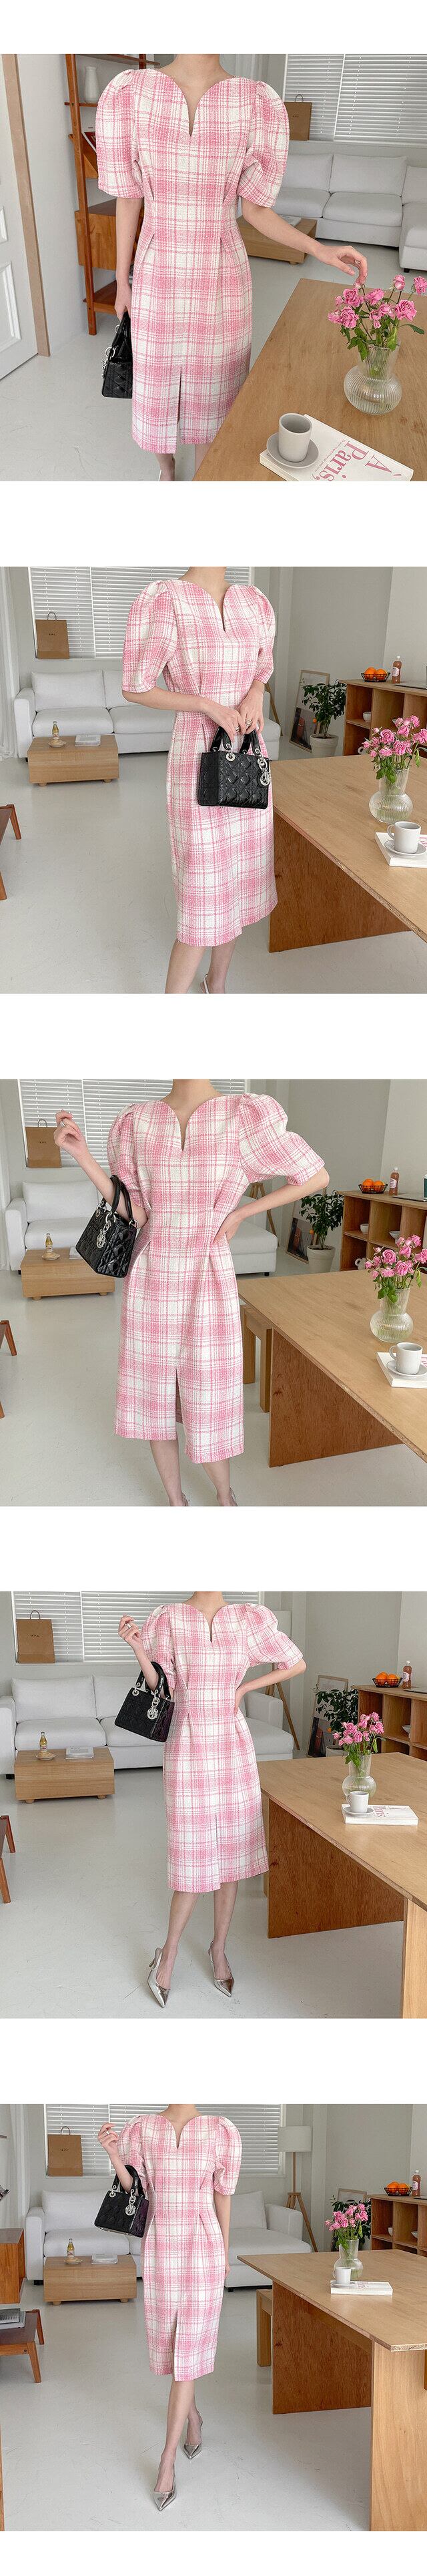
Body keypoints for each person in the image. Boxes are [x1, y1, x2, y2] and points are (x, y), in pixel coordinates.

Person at [54, 1080, 328, 1505]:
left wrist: (242, 1212)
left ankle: (224, 1497)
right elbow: (137, 1213)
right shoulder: (136, 1122)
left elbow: (315, 1175)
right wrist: (82, 1156)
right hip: (152, 1276)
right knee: (155, 1398)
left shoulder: (242, 1116)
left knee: (209, 1393)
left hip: (208, 1275)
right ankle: (175, 1502)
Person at [95, 54, 367, 478]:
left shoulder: (254, 103)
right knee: (155, 382)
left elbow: (255, 211)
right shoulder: (130, 94)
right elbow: (129, 197)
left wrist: (319, 250)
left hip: (221, 274)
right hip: (155, 269)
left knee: (214, 389)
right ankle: (167, 468)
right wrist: (121, 278)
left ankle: (206, 477)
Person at [118, 1591, 306, 2001]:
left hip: (232, 1747)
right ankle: (168, 1954)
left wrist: (243, 1689)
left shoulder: (246, 1618)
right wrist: (138, 1649)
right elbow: (161, 1685)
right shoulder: (169, 1618)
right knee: (192, 1856)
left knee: (231, 1857)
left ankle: (218, 1950)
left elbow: (296, 1663)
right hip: (186, 1746)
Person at [122, 566, 277, 992]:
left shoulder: (255, 603)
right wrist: (208, 705)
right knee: (203, 888)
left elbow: (262, 665)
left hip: (247, 753)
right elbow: (135, 686)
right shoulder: (165, 600)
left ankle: (217, 984)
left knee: (238, 881)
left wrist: (256, 692)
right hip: (197, 755)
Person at [97, 2105, 242, 2506]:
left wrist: (224, 2252)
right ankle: (193, 2417)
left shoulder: (220, 2130)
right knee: (172, 2344)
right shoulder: (143, 2128)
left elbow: (223, 2195)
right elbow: (135, 2189)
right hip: (161, 2248)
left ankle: (166, 2461)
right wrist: (114, 2155)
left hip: (204, 2247)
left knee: (188, 2348)